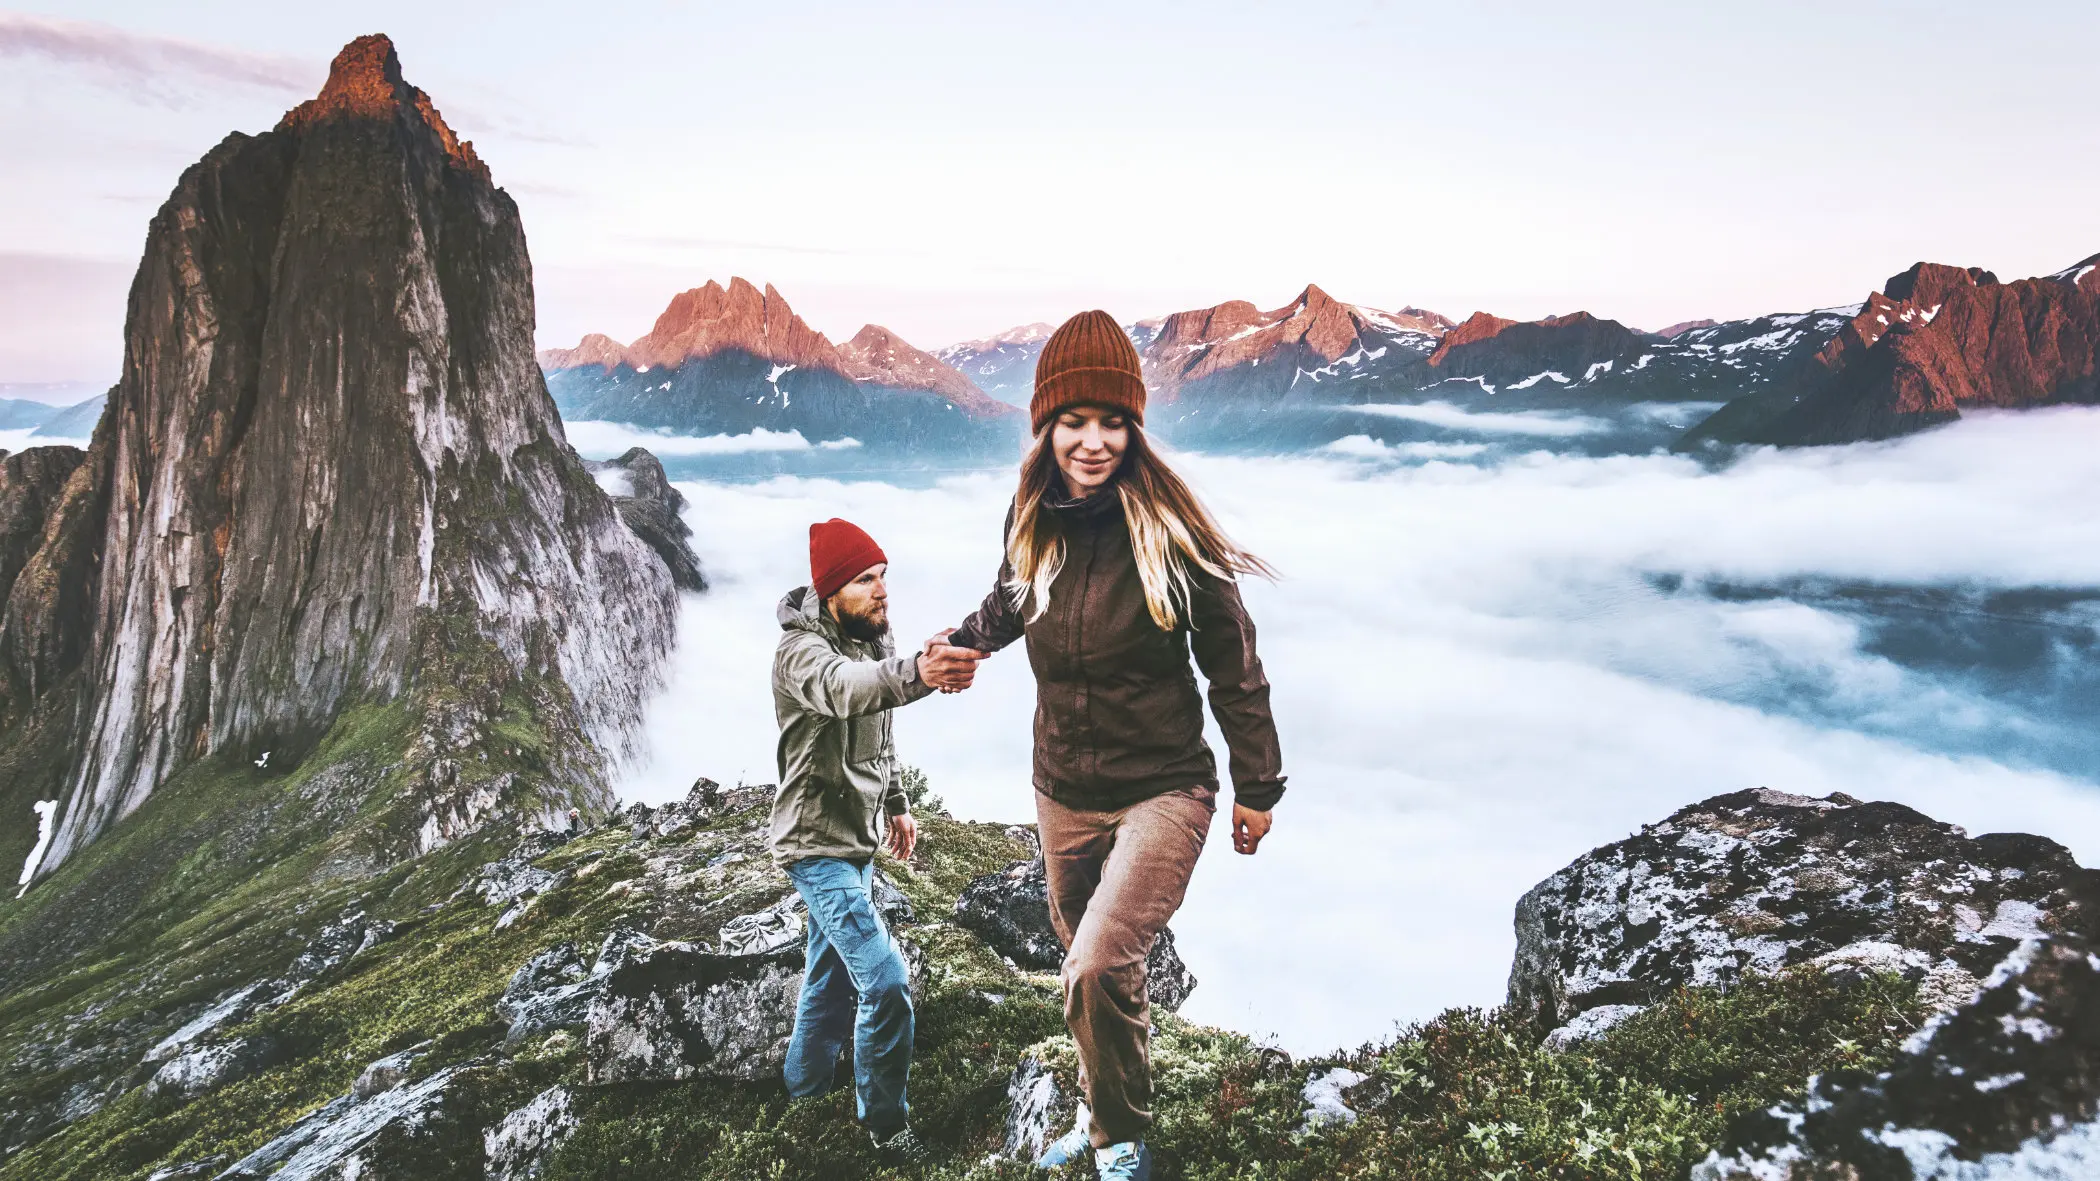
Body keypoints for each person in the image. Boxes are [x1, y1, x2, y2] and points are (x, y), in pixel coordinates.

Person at [934, 310, 1285, 1181]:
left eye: (1113, 421)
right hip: (1061, 786)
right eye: (1074, 421)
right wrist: (965, 642)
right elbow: (1012, 600)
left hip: (1165, 785)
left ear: (1135, 427)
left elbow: (1233, 666)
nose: (1093, 441)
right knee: (1096, 965)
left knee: (1095, 960)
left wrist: (1258, 787)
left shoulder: (1174, 535)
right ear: (1046, 426)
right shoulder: (1033, 516)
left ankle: (1122, 1146)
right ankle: (1105, 1111)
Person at [769, 517, 982, 1165]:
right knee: (885, 978)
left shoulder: (867, 637)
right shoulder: (800, 654)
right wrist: (920, 669)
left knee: (831, 977)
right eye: (865, 579)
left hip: (858, 840)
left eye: (883, 575)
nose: (880, 590)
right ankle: (886, 1125)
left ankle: (803, 1098)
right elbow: (849, 691)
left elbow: (880, 730)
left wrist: (896, 802)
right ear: (831, 590)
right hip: (816, 848)